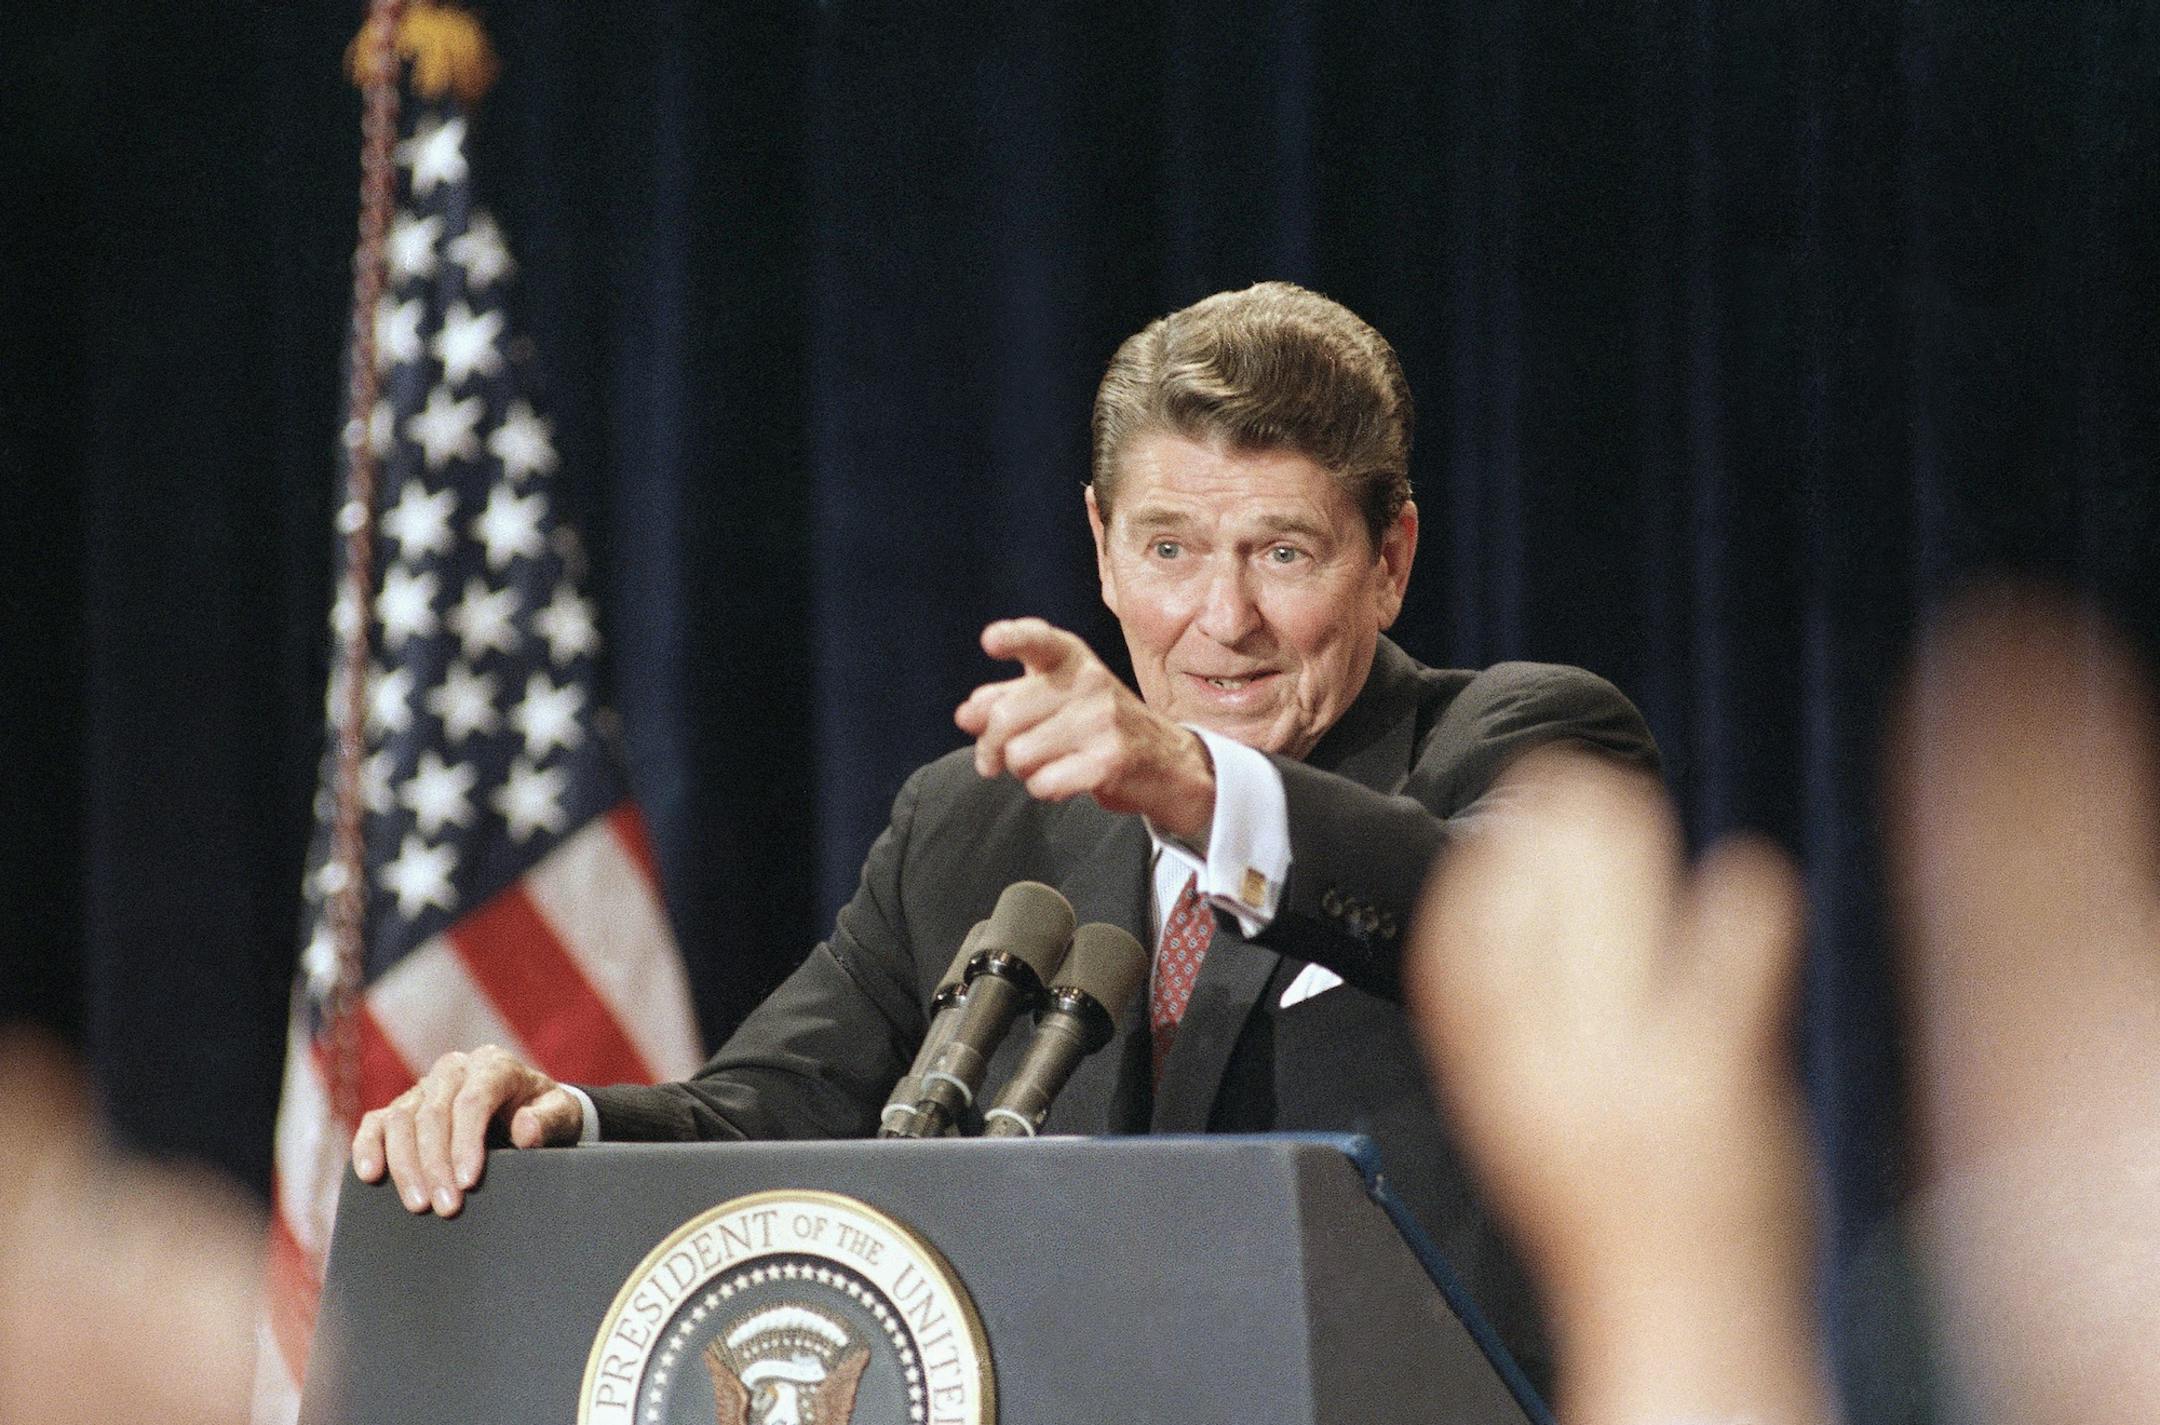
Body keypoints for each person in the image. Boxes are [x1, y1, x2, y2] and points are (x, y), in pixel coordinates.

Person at [352, 280, 1659, 1383]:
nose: (1222, 617)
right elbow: (769, 1113)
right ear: (1098, 545)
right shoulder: (972, 824)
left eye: (1283, 553)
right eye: (1169, 547)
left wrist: (1197, 787)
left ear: (1391, 557)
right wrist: (558, 1120)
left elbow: (1491, 924)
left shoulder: (1523, 740)